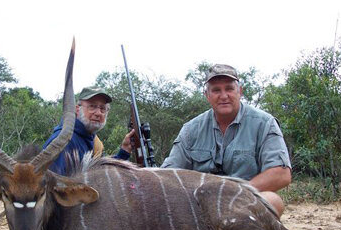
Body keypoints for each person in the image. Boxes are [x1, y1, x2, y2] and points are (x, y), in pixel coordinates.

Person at [161, 64, 291, 218]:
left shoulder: (264, 123)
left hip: (243, 203)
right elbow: (166, 175)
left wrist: (230, 195)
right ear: (207, 95)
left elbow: (281, 174)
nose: (223, 96)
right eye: (216, 90)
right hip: (199, 206)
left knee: (273, 200)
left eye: (229, 88)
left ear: (240, 91)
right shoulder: (191, 129)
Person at [43, 86, 134, 176]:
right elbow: (49, 185)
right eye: (92, 106)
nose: (98, 113)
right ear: (77, 109)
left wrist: (124, 151)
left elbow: (102, 173)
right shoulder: (63, 141)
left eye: (102, 108)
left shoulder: (93, 140)